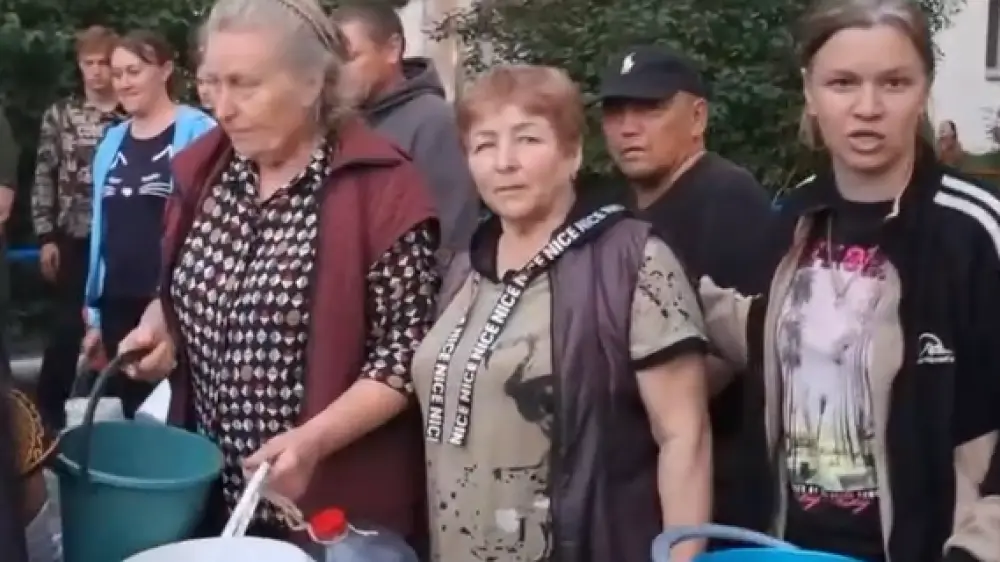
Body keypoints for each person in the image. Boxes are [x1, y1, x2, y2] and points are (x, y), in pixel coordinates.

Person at [114, 0, 438, 549]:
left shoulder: (383, 187)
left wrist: (313, 440)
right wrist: (161, 324)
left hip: (330, 512)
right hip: (213, 496)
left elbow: (405, 352)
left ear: (312, 83)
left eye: (244, 85)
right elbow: (181, 286)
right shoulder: (205, 171)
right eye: (213, 83)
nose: (223, 108)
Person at [701, 1, 1000, 561]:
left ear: (924, 90)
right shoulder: (790, 221)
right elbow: (746, 343)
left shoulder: (976, 231)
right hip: (786, 547)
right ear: (810, 92)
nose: (867, 107)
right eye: (842, 83)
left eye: (894, 83)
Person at [415, 64, 712, 562]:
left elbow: (685, 437)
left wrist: (682, 558)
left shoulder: (631, 259)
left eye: (527, 139)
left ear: (572, 153)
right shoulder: (466, 267)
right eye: (484, 145)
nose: (504, 162)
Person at [599, 45, 775, 538]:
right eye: (615, 111)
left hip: (718, 490)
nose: (628, 127)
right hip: (636, 488)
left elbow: (732, 354)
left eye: (650, 109)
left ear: (698, 117)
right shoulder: (613, 208)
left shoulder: (729, 198)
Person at [82, 30, 215, 417]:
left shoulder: (200, 132)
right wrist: (94, 315)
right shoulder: (111, 141)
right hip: (118, 302)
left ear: (165, 70)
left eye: (134, 71)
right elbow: (102, 226)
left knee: (182, 416)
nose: (123, 82)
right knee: (132, 417)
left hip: (177, 305)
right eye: (117, 73)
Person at [31, 25, 125, 430]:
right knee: (66, 328)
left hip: (121, 236)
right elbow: (44, 173)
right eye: (89, 63)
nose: (97, 72)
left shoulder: (131, 113)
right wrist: (45, 235)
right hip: (74, 234)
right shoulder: (62, 115)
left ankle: (118, 416)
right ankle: (44, 417)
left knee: (121, 326)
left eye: (105, 62)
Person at [332, 1, 479, 251]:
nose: (339, 72)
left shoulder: (434, 122)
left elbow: (452, 234)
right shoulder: (339, 125)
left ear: (392, 49)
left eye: (350, 58)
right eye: (333, 61)